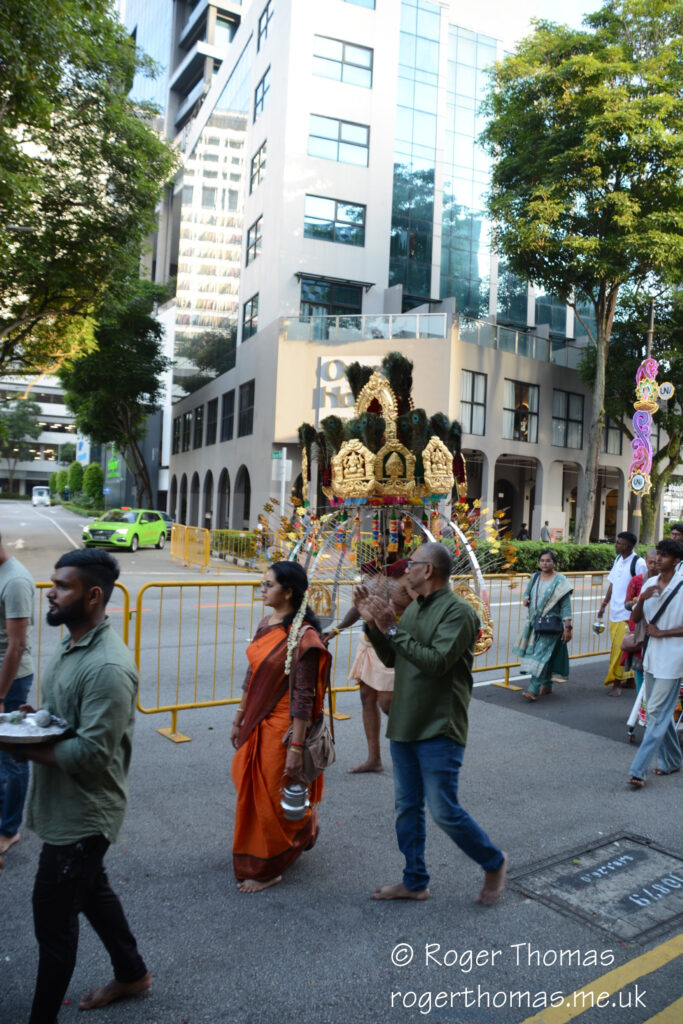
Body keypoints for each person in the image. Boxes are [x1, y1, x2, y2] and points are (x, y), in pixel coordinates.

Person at [0, 549, 151, 1023]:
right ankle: (133, 974)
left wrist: (19, 748)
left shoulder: (107, 668)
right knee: (91, 891)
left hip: (84, 817)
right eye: (52, 582)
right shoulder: (73, 643)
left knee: (54, 924)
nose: (50, 591)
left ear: (92, 596)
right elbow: (68, 719)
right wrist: (33, 719)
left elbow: (90, 755)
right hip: (66, 804)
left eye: (61, 586)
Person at [355, 542, 506, 905]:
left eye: (413, 564)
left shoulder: (459, 613)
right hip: (406, 721)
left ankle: (493, 861)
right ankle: (415, 880)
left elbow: (436, 662)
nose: (406, 570)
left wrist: (391, 628)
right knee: (407, 807)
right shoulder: (415, 609)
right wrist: (374, 622)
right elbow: (393, 656)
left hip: (440, 723)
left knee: (442, 809)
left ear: (429, 571)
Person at [231, 561, 331, 893]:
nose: (262, 589)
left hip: (284, 727)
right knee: (248, 783)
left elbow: (304, 696)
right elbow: (252, 674)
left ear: (288, 592)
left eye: (268, 584)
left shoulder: (303, 637)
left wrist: (296, 747)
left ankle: (268, 867)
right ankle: (302, 829)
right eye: (262, 583)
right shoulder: (266, 623)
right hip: (257, 719)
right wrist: (239, 718)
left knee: (272, 797)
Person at [325, 575, 417, 773]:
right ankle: (374, 759)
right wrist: (337, 629)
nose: (381, 543)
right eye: (379, 541)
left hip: (393, 644)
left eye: (386, 541)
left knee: (388, 704)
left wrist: (393, 621)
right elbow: (359, 607)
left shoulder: (409, 578)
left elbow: (421, 609)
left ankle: (412, 755)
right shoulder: (371, 575)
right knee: (367, 697)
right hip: (370, 640)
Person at [627, 539, 683, 787]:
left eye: (665, 556)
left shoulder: (682, 587)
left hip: (674, 657)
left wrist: (662, 633)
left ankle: (638, 770)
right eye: (658, 554)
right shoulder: (649, 582)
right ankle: (672, 760)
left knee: (657, 713)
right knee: (656, 713)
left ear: (676, 560)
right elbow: (637, 617)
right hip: (651, 655)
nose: (659, 559)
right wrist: (642, 599)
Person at [0, 530, 36, 857]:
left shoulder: (15, 582)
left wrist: (0, 696)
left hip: (10, 682)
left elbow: (16, 644)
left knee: (12, 758)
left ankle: (9, 830)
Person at [513, 549, 573, 702]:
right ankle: (546, 684)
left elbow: (566, 606)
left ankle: (533, 690)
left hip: (551, 624)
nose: (545, 563)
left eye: (548, 560)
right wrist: (526, 598)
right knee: (545, 655)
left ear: (554, 563)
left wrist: (568, 627)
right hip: (535, 623)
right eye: (542, 560)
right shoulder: (534, 577)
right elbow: (527, 593)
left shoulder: (560, 581)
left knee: (539, 655)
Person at [597, 532, 647, 695]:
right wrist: (604, 603)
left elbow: (642, 587)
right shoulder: (618, 559)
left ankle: (616, 685)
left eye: (620, 543)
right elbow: (613, 583)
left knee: (619, 649)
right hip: (615, 612)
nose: (616, 545)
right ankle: (630, 680)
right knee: (623, 648)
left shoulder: (638, 563)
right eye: (616, 542)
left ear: (629, 545)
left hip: (628, 614)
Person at [621, 548, 658, 692]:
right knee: (640, 670)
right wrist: (638, 601)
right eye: (650, 562)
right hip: (639, 629)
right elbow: (627, 604)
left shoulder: (667, 582)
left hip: (656, 630)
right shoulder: (636, 580)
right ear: (646, 562)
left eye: (656, 563)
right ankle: (640, 708)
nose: (653, 566)